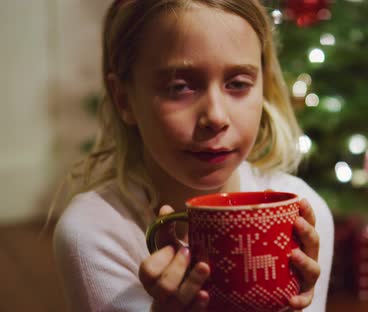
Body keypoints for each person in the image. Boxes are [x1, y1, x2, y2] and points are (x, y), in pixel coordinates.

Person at [51, 0, 334, 311]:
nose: (215, 116)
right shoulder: (95, 232)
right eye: (180, 87)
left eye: (238, 84)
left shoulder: (303, 216)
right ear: (124, 100)